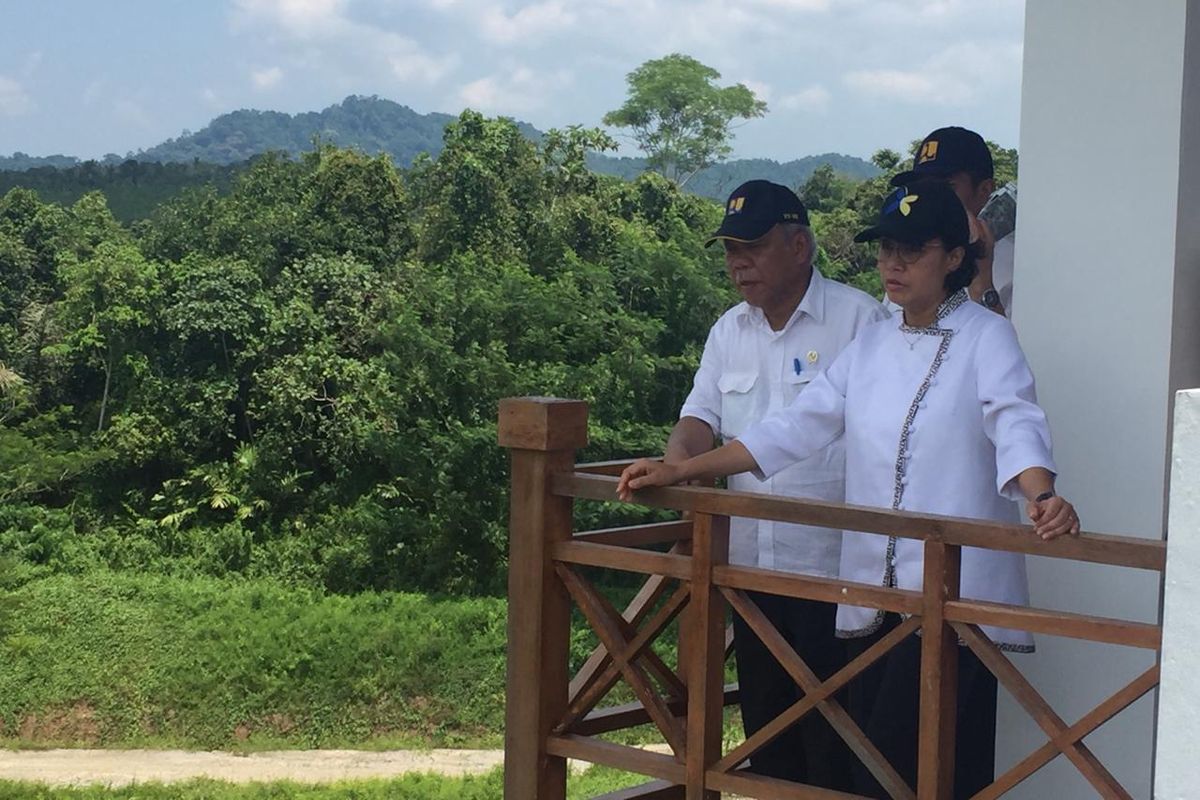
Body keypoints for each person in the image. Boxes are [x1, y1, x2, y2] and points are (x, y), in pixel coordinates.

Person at [618, 179, 1079, 798]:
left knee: (932, 769)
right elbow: (797, 425)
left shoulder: (985, 336)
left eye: (911, 251)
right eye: (887, 249)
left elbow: (1014, 417)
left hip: (954, 601)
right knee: (873, 764)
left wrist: (1040, 492)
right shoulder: (874, 339)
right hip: (873, 595)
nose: (893, 265)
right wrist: (683, 470)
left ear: (951, 256)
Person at [669, 179, 886, 788]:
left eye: (754, 247)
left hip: (834, 573)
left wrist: (685, 469)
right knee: (768, 738)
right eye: (730, 250)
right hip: (747, 573)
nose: (738, 263)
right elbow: (697, 419)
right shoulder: (727, 331)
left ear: (800, 246)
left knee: (839, 743)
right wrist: (674, 469)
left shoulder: (859, 320)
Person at [890, 126, 1015, 319]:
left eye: (946, 187)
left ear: (984, 189)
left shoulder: (1017, 262)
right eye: (923, 187)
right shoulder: (907, 255)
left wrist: (982, 284)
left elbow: (1013, 346)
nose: (932, 198)